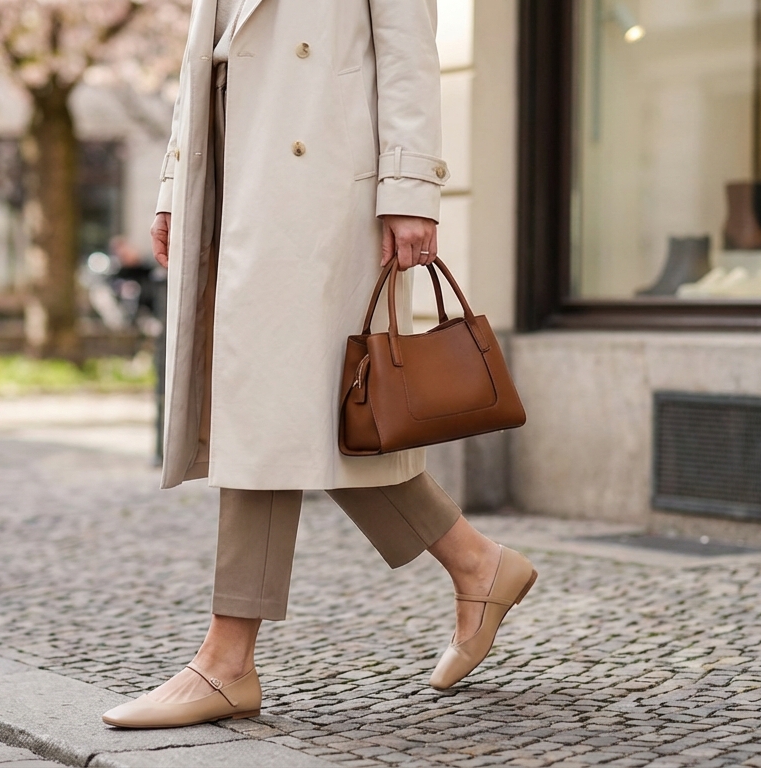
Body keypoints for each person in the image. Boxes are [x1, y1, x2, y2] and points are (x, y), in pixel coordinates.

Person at [101, 0, 538, 729]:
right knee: (298, 414)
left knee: (270, 410)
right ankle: (476, 564)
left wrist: (409, 192)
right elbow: (204, 51)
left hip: (322, 189)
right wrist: (176, 187)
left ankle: (226, 662)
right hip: (233, 179)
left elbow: (407, 52)